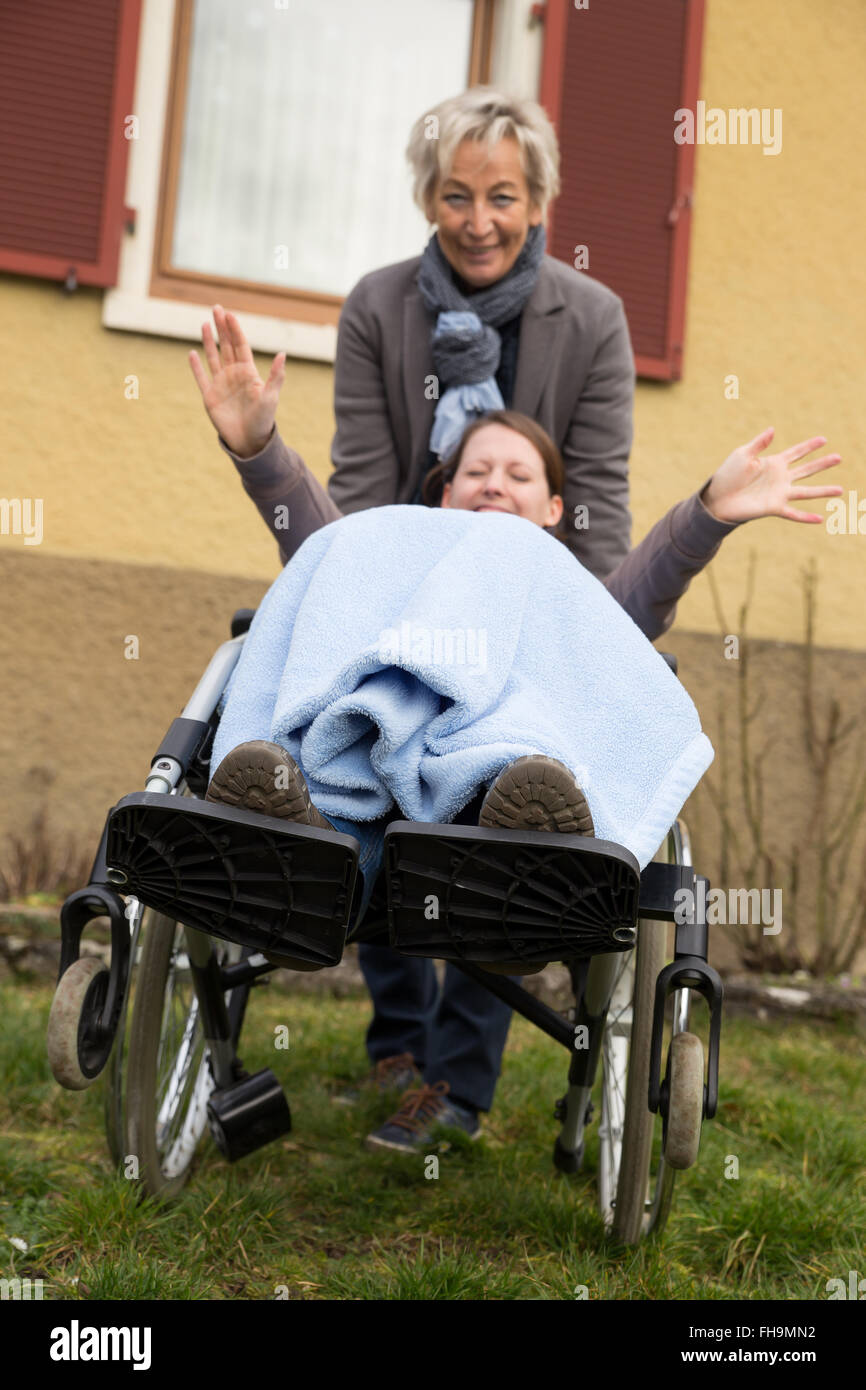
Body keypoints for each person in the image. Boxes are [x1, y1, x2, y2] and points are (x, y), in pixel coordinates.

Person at [191, 82, 638, 1154]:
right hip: (397, 576)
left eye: (501, 196)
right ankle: (396, 1039)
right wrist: (269, 462)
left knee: (514, 787)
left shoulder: (592, 320)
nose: (477, 220)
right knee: (376, 718)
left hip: (530, 600)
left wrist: (563, 623)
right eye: (453, 195)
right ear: (425, 199)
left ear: (536, 203)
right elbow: (355, 499)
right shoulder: (377, 307)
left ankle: (455, 1077)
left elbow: (600, 508)